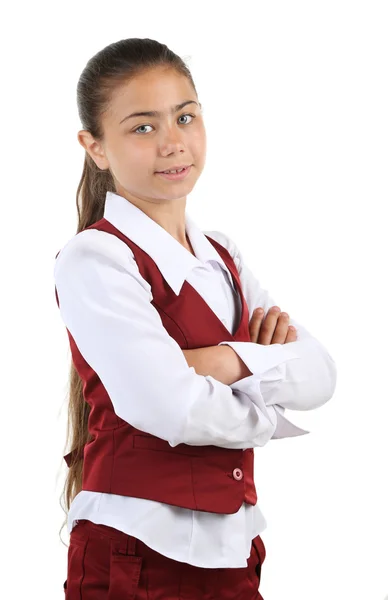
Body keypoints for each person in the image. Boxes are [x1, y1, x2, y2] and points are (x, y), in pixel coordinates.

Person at [53, 37, 337, 599]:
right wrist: (268, 408)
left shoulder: (221, 255)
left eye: (185, 117)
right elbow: (170, 410)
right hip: (138, 551)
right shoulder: (95, 259)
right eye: (142, 127)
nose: (173, 142)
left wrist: (223, 361)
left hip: (234, 549)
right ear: (96, 147)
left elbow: (321, 374)